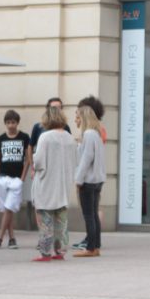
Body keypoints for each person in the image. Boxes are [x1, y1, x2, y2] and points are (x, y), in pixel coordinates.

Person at [31, 106, 77, 262]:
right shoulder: (70, 138)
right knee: (61, 221)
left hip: (47, 184)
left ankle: (45, 252)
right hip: (63, 184)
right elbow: (74, 161)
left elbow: (38, 162)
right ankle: (60, 250)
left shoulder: (45, 137)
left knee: (45, 221)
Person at [0, 109, 30, 250]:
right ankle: (12, 239)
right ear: (5, 123)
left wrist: (22, 178)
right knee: (7, 209)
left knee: (9, 208)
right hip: (3, 177)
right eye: (8, 122)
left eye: (13, 122)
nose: (11, 125)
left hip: (16, 180)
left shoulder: (24, 137)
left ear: (17, 123)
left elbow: (28, 159)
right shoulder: (1, 138)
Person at [72, 95, 105, 251]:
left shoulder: (88, 134)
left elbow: (86, 159)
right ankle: (96, 245)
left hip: (88, 181)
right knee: (93, 214)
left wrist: (78, 180)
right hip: (97, 180)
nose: (75, 120)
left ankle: (91, 247)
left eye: (77, 116)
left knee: (89, 216)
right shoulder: (95, 133)